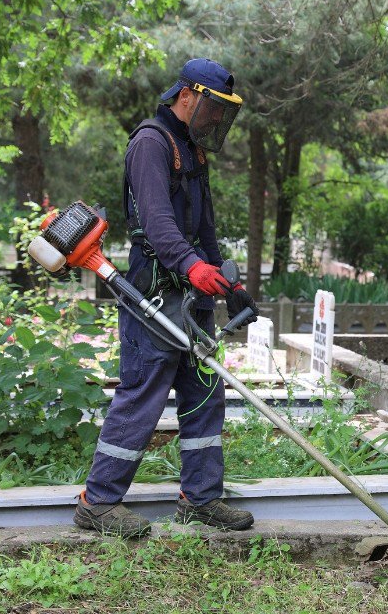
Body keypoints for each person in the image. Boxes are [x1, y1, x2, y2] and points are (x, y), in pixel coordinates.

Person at [74, 58, 258, 537]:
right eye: (213, 107)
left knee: (204, 391)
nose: (217, 119)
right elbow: (157, 224)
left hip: (191, 292)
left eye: (224, 111)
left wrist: (226, 279)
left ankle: (200, 499)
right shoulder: (150, 144)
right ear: (187, 95)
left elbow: (206, 228)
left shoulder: (193, 151)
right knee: (144, 391)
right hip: (154, 288)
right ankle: (97, 503)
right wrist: (193, 267)